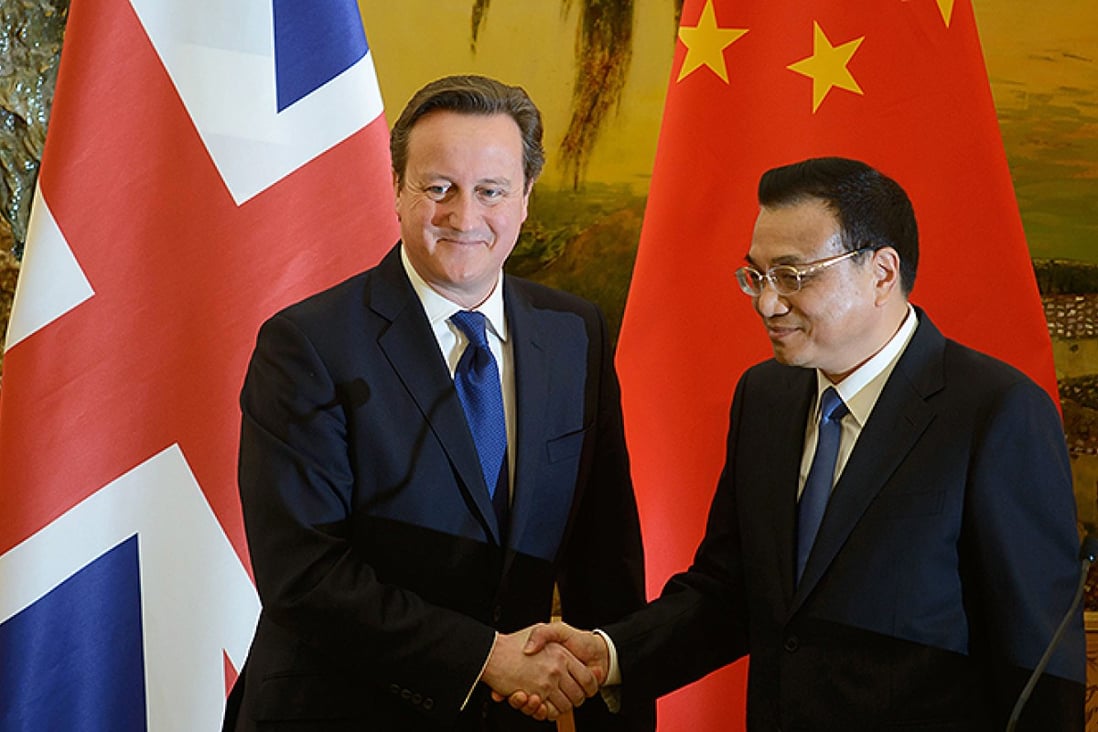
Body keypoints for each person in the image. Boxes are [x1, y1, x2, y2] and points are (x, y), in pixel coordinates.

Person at [516, 156, 1086, 730]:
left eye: (793, 275)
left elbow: (1039, 667)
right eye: (757, 276)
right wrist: (610, 654)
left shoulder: (995, 413)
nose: (767, 303)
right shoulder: (766, 398)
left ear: (882, 273)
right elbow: (729, 590)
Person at [222, 75, 654, 731]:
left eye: (491, 191)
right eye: (438, 187)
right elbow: (304, 575)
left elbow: (605, 554)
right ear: (397, 190)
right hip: (336, 714)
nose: (464, 216)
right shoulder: (307, 345)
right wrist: (485, 658)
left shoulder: (575, 333)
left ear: (526, 199)